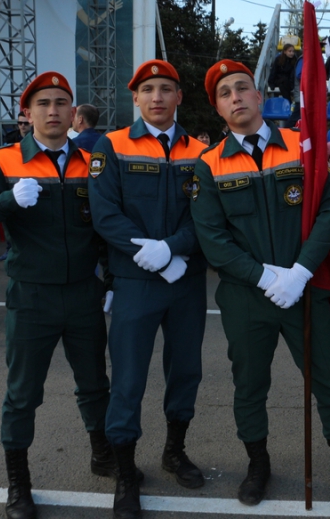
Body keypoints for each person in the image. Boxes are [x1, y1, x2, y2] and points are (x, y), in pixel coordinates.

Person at [194, 59, 330, 510]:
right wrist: (266, 276)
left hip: (306, 289)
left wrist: (301, 271)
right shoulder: (209, 165)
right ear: (217, 107)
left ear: (259, 96)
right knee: (250, 385)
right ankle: (258, 464)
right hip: (246, 297)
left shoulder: (303, 145)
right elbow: (213, 240)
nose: (235, 97)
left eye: (242, 88)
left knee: (329, 380)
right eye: (225, 93)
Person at [0, 72, 117, 519]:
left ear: (72, 112)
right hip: (31, 297)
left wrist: (110, 280)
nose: (53, 110)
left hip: (84, 294)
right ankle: (18, 482)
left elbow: (106, 227)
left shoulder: (93, 160)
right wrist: (7, 202)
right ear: (26, 114)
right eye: (43, 103)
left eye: (61, 102)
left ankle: (102, 454)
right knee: (23, 393)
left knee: (94, 385)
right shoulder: (2, 160)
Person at [88, 60, 209, 518]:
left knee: (187, 371)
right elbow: (105, 213)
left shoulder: (201, 151)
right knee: (129, 378)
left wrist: (174, 249)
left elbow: (207, 217)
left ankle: (174, 451)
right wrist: (150, 252)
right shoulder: (111, 146)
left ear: (179, 97)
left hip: (185, 279)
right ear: (134, 98)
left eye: (166, 89)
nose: (157, 97)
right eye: (147, 90)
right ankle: (125, 472)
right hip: (137, 279)